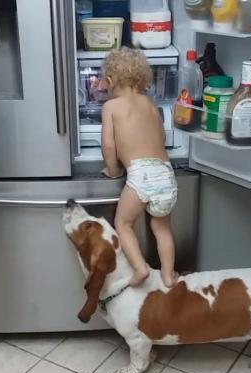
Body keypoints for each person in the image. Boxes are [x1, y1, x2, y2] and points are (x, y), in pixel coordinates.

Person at [101, 47, 178, 288]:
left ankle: (140, 268)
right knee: (162, 229)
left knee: (123, 224)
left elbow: (108, 145)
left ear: (110, 81)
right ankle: (168, 275)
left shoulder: (111, 107)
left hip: (141, 175)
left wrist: (113, 171)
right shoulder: (150, 104)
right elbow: (160, 137)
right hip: (165, 173)